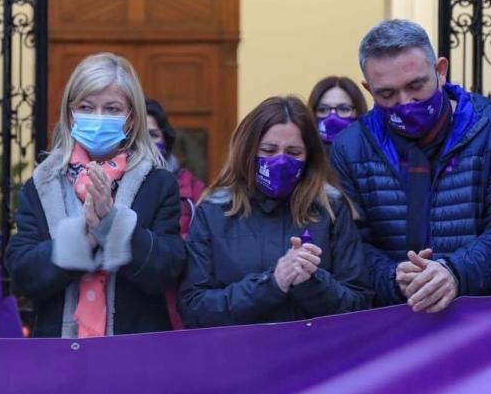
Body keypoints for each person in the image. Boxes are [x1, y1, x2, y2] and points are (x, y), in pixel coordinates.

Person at [330, 20, 491, 312]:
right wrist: (393, 278)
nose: (405, 102)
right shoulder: (349, 148)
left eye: (416, 86)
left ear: (440, 71)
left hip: (485, 319)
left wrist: (455, 272)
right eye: (387, 94)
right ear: (368, 88)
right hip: (392, 321)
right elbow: (348, 246)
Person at [5, 53, 186, 337]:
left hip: (134, 351)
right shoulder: (44, 183)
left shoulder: (158, 183)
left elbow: (166, 270)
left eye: (112, 109)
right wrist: (86, 236)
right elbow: (23, 275)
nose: (98, 118)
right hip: (61, 355)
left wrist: (111, 223)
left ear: (131, 119)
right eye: (86, 107)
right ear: (70, 114)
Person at [179, 96, 372, 328]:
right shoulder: (214, 211)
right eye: (269, 150)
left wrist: (312, 282)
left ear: (309, 156)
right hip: (240, 357)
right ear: (248, 151)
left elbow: (360, 304)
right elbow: (193, 307)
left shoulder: (331, 209)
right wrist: (272, 283)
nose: (280, 161)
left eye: (294, 152)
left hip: (315, 357)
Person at [145, 98, 206, 237]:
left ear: (166, 141)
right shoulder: (113, 183)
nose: (145, 143)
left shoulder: (194, 190)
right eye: (139, 135)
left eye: (153, 135)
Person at [307, 76, 368, 148]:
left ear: (357, 111)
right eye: (322, 109)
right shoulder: (301, 154)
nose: (332, 117)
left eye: (343, 109)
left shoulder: (376, 153)